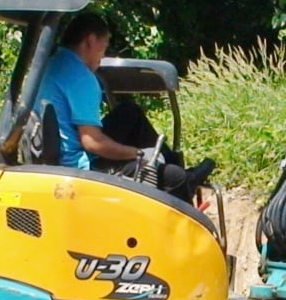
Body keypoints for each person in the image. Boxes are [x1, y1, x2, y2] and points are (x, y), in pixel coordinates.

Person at [35, 12, 213, 202]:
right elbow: (92, 142)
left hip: (59, 154)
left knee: (129, 112)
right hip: (79, 167)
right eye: (104, 47)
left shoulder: (51, 65)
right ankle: (184, 180)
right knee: (174, 178)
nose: (103, 56)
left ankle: (180, 170)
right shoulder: (80, 77)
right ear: (91, 40)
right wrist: (138, 154)